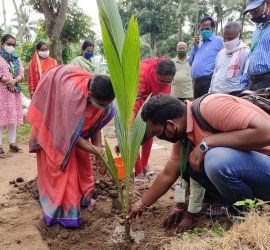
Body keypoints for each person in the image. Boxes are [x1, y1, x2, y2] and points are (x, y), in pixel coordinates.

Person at [129, 93, 270, 233]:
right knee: (190, 164)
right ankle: (244, 210)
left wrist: (207, 143)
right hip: (257, 173)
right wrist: (141, 204)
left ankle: (246, 218)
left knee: (216, 160)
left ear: (171, 125)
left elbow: (266, 132)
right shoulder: (184, 137)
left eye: (158, 132)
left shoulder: (211, 107)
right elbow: (168, 174)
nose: (159, 137)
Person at [26, 65, 115, 227]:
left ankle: (82, 199)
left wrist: (98, 151)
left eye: (106, 105)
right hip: (55, 127)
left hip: (74, 131)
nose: (104, 108)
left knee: (82, 162)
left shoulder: (102, 94)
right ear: (89, 95)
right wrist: (98, 151)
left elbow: (96, 123)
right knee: (62, 169)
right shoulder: (71, 99)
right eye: (101, 104)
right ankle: (62, 212)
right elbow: (67, 136)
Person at [132, 58, 176, 184]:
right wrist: (130, 125)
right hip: (138, 104)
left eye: (168, 81)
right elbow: (136, 99)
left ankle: (145, 165)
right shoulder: (142, 71)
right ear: (155, 72)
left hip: (154, 103)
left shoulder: (167, 76)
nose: (164, 83)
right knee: (135, 136)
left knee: (151, 132)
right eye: (161, 81)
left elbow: (165, 97)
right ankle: (138, 170)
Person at [209, 22, 250, 96]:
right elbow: (215, 73)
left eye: (230, 38)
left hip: (234, 94)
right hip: (215, 92)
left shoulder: (245, 52)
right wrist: (210, 91)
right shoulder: (221, 53)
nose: (227, 41)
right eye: (225, 38)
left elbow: (247, 76)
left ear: (239, 36)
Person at [0, 34, 24, 157]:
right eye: (9, 44)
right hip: (2, 92)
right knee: (0, 118)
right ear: (2, 43)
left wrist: (15, 80)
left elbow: (21, 72)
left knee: (12, 119)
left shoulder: (16, 58)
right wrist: (7, 81)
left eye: (13, 45)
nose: (11, 47)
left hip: (14, 92)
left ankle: (12, 144)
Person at [189, 17, 223, 99]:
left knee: (205, 106)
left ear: (213, 28)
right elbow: (190, 62)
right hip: (196, 81)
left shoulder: (219, 40)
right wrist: (195, 47)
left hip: (209, 80)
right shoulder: (198, 43)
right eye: (202, 29)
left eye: (207, 28)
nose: (204, 31)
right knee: (196, 107)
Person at [243, 0, 270, 90]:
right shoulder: (258, 29)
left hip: (267, 82)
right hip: (253, 83)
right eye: (250, 12)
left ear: (267, 3)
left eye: (255, 10)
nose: (253, 14)